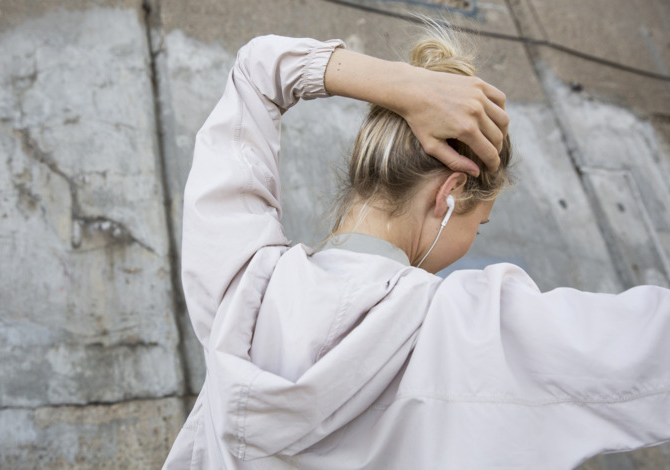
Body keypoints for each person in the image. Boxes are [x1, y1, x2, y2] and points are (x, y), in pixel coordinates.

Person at [163, 30, 670, 470]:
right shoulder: (473, 333)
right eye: (480, 224)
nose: (473, 240)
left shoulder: (241, 287)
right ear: (448, 196)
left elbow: (257, 72)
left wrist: (406, 88)